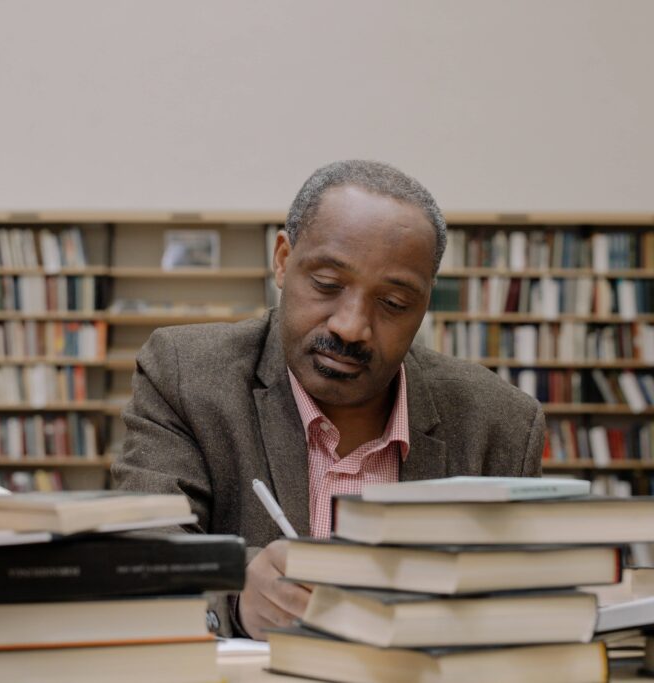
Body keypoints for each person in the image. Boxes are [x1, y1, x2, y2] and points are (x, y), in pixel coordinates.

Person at [112, 160, 545, 639]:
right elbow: (144, 550)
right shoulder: (185, 374)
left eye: (394, 304)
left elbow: (523, 603)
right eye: (327, 284)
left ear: (424, 305)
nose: (351, 326)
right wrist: (236, 597)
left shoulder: (502, 424)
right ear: (282, 260)